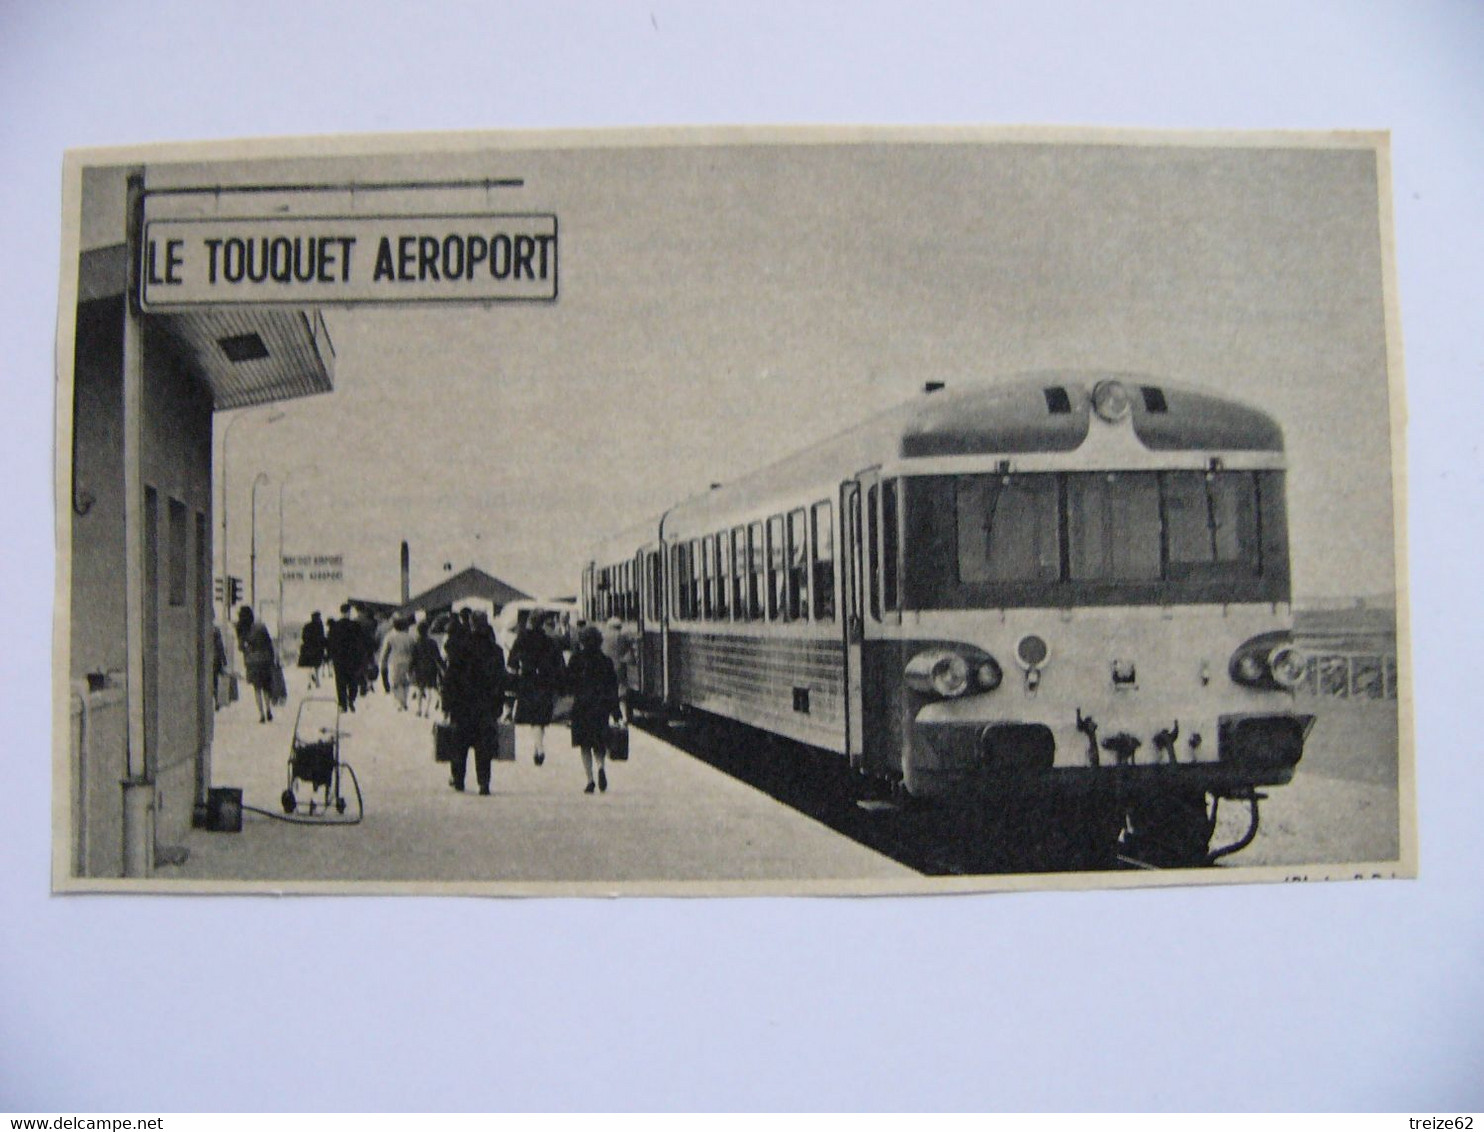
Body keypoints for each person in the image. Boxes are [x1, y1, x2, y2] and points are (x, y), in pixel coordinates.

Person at [440, 610, 507, 795]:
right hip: (486, 705)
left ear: (471, 624)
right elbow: (501, 680)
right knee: (484, 745)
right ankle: (483, 782)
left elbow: (450, 677)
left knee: (460, 743)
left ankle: (459, 779)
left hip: (462, 704)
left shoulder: (461, 648)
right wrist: (500, 704)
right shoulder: (496, 651)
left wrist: (447, 703)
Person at [567, 624, 620, 794]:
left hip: (582, 706)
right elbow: (613, 688)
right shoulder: (606, 662)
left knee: (584, 745)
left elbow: (568, 683)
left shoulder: (576, 660)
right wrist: (616, 710)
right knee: (599, 742)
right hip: (601, 707)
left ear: (582, 641)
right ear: (599, 641)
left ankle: (590, 780)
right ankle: (601, 767)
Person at [508, 610, 565, 766]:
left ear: (530, 622)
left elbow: (512, 661)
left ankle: (538, 748)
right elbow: (558, 662)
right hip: (545, 681)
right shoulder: (549, 641)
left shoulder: (522, 639)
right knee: (539, 718)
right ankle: (538, 747)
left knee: (535, 718)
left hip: (528, 680)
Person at [235, 605, 276, 723]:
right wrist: (272, 659)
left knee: (257, 688)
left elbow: (241, 647)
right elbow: (269, 644)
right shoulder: (261, 627)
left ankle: (261, 714)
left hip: (252, 662)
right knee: (266, 687)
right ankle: (269, 710)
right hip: (265, 661)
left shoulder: (242, 629)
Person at [326, 603, 363, 713]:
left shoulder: (334, 626)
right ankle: (351, 699)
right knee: (353, 680)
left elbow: (330, 643)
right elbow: (360, 643)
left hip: (339, 659)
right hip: (352, 658)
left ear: (340, 612)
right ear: (349, 612)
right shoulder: (355, 625)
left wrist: (331, 656)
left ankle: (342, 705)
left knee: (340, 681)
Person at [601, 616, 636, 724]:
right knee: (621, 693)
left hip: (606, 667)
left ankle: (609, 716)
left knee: (607, 691)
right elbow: (630, 650)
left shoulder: (603, 636)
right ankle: (624, 716)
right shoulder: (623, 636)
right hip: (619, 667)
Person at [379, 613, 418, 711]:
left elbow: (385, 652)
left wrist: (383, 662)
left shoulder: (390, 636)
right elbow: (414, 650)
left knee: (396, 684)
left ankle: (399, 703)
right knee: (405, 683)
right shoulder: (410, 637)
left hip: (394, 662)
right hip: (408, 661)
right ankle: (404, 701)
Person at [410, 616, 444, 718]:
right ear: (427, 630)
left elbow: (413, 658)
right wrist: (442, 667)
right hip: (431, 667)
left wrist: (410, 669)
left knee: (420, 689)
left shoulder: (416, 643)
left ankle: (419, 709)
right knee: (430, 689)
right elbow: (437, 657)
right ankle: (427, 711)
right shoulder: (432, 643)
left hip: (419, 668)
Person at [297, 611, 327, 689]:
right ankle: (317, 681)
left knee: (309, 667)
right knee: (317, 666)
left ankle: (309, 683)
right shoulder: (320, 626)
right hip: (317, 649)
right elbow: (322, 638)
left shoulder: (307, 626)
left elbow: (303, 637)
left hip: (308, 649)